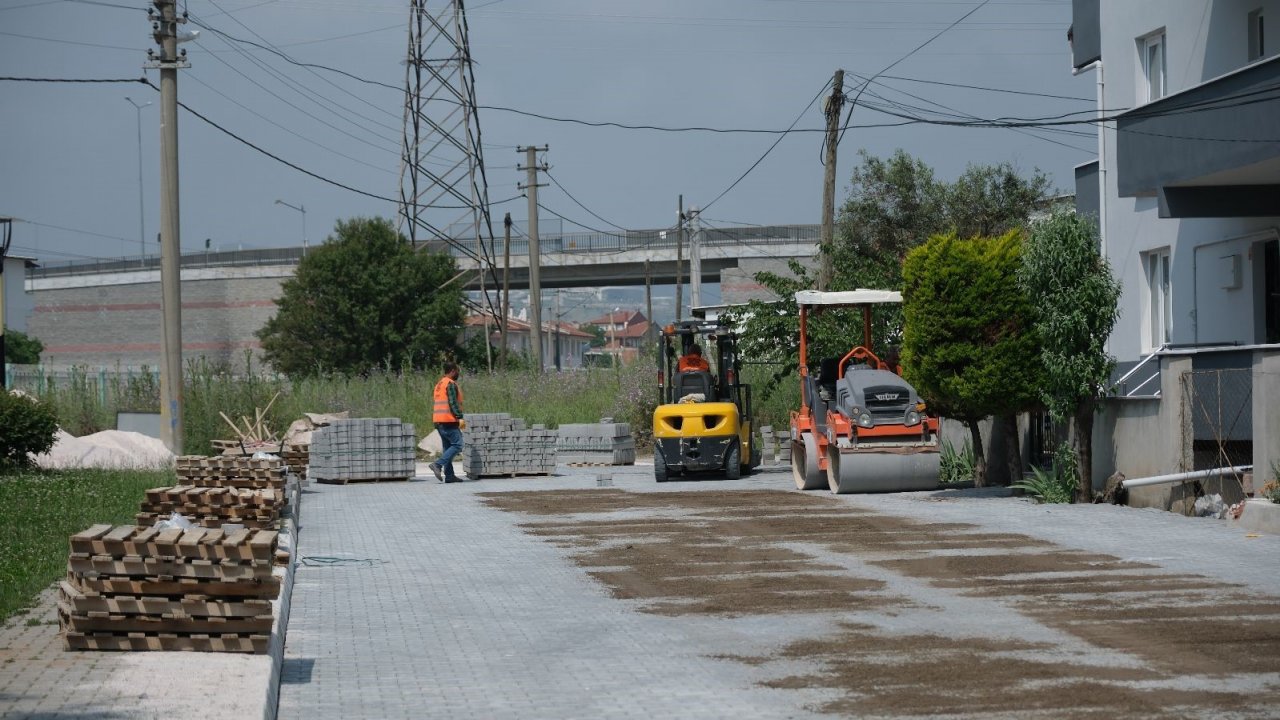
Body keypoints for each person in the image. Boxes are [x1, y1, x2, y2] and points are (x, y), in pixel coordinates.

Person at [429, 361, 465, 483]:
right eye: (458, 371)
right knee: (458, 444)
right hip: (448, 420)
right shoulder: (450, 384)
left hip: (439, 421)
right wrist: (459, 417)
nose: (458, 374)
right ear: (453, 371)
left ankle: (449, 476)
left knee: (448, 447)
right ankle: (437, 465)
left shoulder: (439, 384)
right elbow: (453, 402)